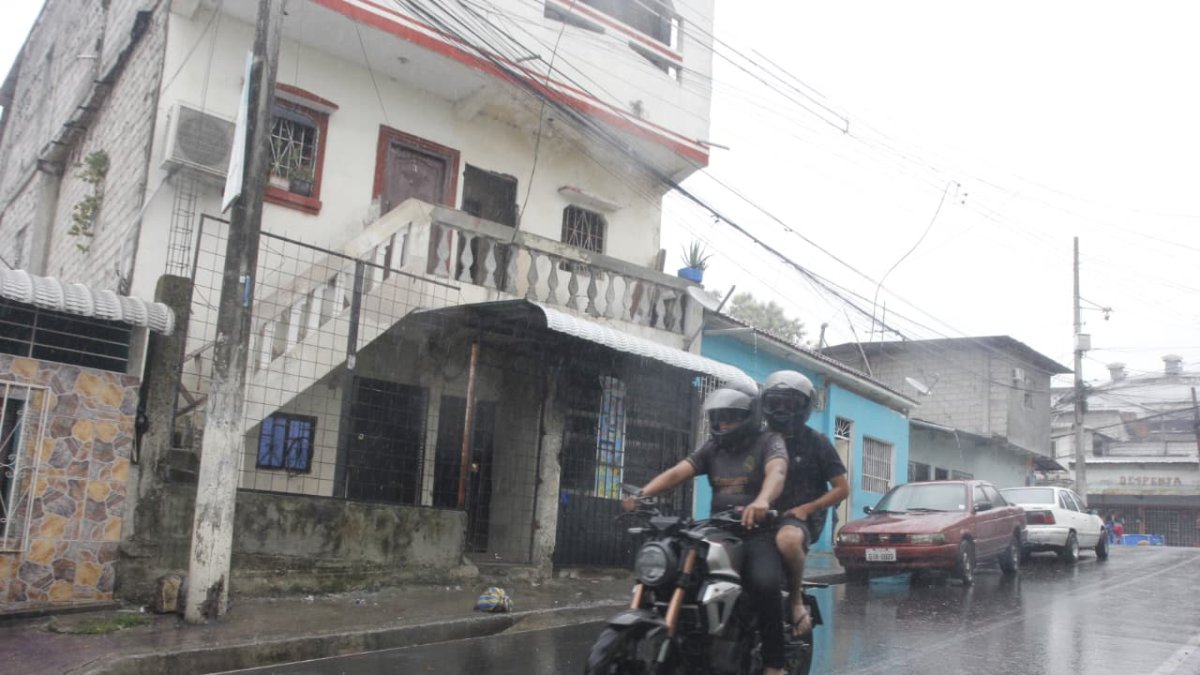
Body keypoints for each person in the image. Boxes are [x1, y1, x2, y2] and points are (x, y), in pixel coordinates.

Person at [622, 382, 790, 675]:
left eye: (729, 416)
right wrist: (642, 495)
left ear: (749, 416)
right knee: (677, 573)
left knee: (764, 584)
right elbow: (678, 472)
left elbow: (777, 471)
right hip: (717, 530)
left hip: (756, 533)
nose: (721, 423)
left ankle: (774, 664)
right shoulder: (713, 447)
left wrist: (762, 500)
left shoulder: (769, 441)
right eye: (716, 417)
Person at [762, 370, 849, 636]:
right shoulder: (758, 439)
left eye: (789, 404)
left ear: (804, 407)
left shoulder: (817, 442)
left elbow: (842, 489)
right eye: (775, 403)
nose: (781, 410)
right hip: (766, 514)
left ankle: (796, 598)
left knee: (787, 540)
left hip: (805, 515)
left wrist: (807, 508)